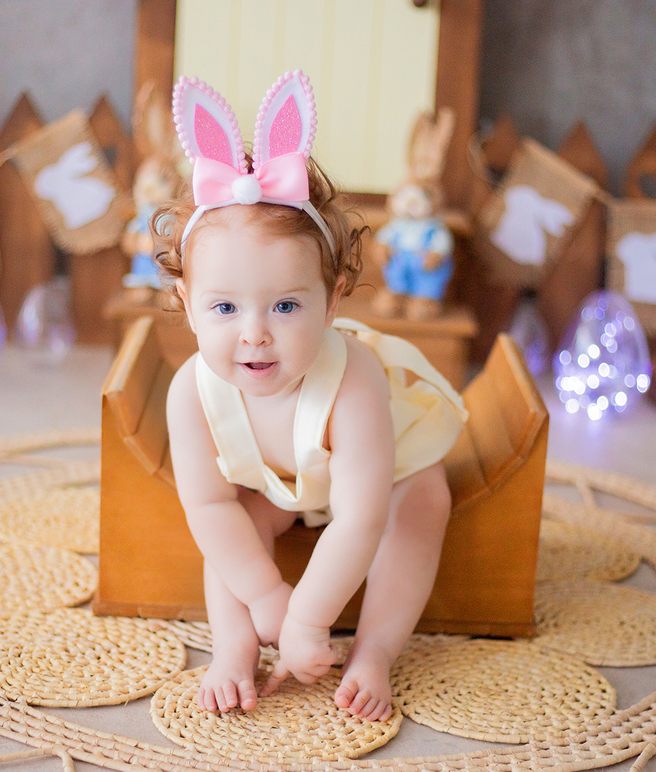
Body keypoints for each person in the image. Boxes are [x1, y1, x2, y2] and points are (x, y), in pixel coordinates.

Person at [153, 72, 467, 722]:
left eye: (287, 304)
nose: (255, 334)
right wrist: (268, 598)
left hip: (380, 482)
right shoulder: (191, 393)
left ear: (333, 302)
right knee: (237, 516)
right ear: (186, 305)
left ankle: (376, 651)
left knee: (426, 500)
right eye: (225, 307)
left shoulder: (354, 382)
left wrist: (307, 617)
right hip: (276, 486)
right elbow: (208, 509)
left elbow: (359, 518)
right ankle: (234, 649)